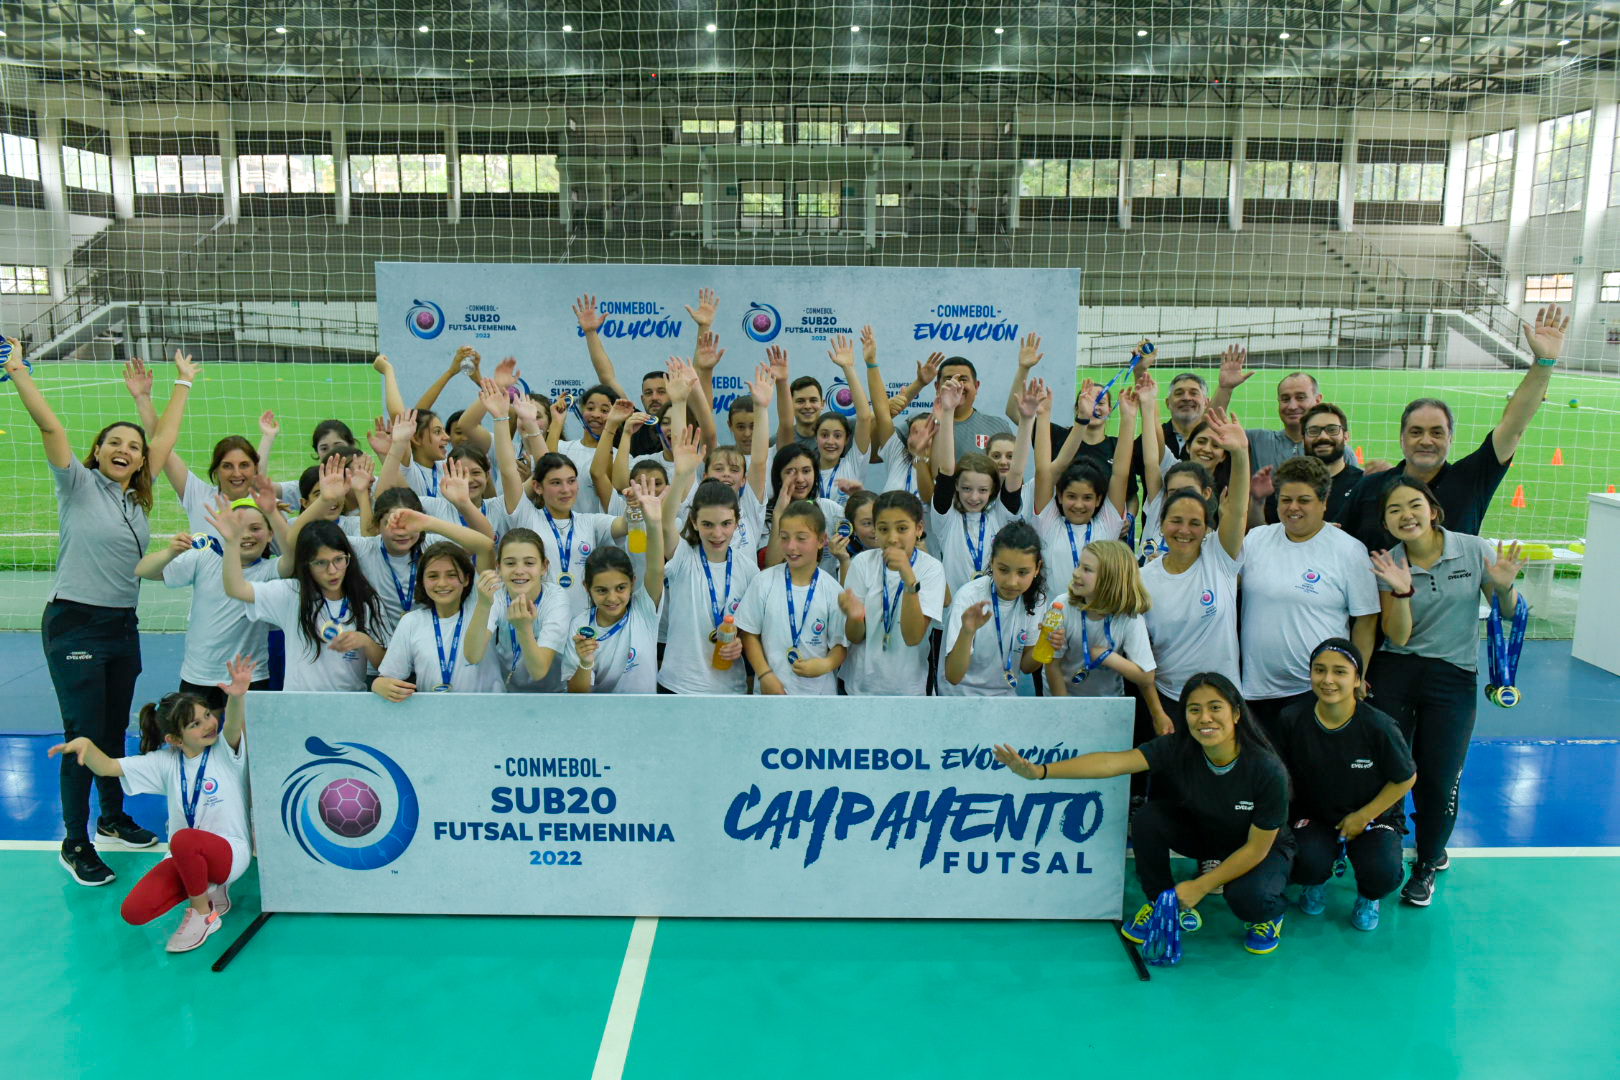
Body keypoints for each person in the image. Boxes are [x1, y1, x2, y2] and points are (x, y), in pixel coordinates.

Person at [6, 339, 194, 886]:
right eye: (114, 442)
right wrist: (19, 372)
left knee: (113, 730)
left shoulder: (136, 498)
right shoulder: (78, 483)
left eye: (133, 447)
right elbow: (51, 431)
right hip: (75, 623)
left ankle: (112, 819)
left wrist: (174, 386)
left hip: (120, 625)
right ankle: (75, 840)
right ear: (96, 450)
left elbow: (166, 438)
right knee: (83, 732)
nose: (126, 449)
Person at [993, 672, 1295, 956]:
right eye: (1194, 709)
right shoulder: (1179, 747)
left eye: (1215, 707)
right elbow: (1113, 764)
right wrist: (1040, 772)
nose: (1205, 718)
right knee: (1148, 817)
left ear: (1236, 714)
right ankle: (1163, 903)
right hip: (1207, 834)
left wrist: (1201, 886)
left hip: (1257, 848)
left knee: (1249, 899)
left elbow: (1257, 848)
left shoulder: (1267, 770)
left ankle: (1269, 914)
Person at [1367, 475, 1524, 907]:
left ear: (1433, 510)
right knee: (1395, 768)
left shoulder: (1472, 549)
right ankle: (1387, 848)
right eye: (1394, 510)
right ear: (1386, 522)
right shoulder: (1387, 563)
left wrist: (1504, 585)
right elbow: (1397, 636)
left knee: (1439, 776)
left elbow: (1507, 613)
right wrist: (1400, 589)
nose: (1406, 515)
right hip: (1396, 671)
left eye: (1414, 505)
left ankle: (1429, 860)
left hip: (1453, 676)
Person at [48, 654, 257, 953]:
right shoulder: (165, 762)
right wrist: (86, 745)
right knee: (134, 911)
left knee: (183, 839)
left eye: (208, 715)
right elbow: (107, 767)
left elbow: (233, 724)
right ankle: (211, 890)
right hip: (186, 857)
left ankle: (203, 915)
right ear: (175, 739)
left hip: (230, 852)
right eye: (196, 724)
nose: (209, 725)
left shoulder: (225, 751)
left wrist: (238, 696)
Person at [1336, 304, 1569, 548]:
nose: (1426, 440)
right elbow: (1340, 543)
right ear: (1401, 438)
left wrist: (1544, 362)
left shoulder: (1471, 480)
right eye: (1416, 432)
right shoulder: (1371, 486)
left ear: (1451, 438)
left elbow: (1514, 425)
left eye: (1437, 432)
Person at [1274, 639, 1416, 932]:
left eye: (1339, 672)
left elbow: (1405, 777)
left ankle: (1368, 896)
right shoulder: (1291, 719)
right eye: (1319, 670)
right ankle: (1316, 880)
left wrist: (1363, 816)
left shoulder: (1380, 726)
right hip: (1316, 817)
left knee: (1383, 873)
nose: (1327, 680)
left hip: (1373, 818)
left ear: (1358, 680)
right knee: (1304, 862)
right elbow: (1276, 775)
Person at [1239, 455, 1379, 741]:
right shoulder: (1256, 540)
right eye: (1285, 499)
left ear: (1324, 502)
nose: (1293, 508)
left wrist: (1355, 676)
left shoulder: (1349, 551)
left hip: (1315, 692)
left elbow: (1366, 620)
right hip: (1256, 690)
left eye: (1304, 500)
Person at [1141, 409, 1251, 725]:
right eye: (1176, 521)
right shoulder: (1144, 578)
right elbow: (1141, 653)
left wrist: (1240, 454)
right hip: (1169, 701)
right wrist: (1157, 712)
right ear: (1161, 525)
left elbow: (1239, 511)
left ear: (1207, 527)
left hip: (1223, 699)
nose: (1185, 530)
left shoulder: (1219, 557)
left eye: (1194, 523)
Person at [136, 486, 289, 711]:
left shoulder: (271, 570)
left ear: (270, 534)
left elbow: (293, 556)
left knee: (246, 742)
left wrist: (274, 515)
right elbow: (143, 569)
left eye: (255, 528)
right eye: (237, 528)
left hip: (249, 677)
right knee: (196, 740)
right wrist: (170, 552)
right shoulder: (205, 557)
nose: (245, 535)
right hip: (199, 674)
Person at [220, 513, 386, 692]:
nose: (332, 570)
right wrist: (231, 544)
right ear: (306, 565)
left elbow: (384, 665)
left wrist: (365, 642)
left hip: (348, 706)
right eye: (321, 563)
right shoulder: (292, 594)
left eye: (339, 560)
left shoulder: (365, 600)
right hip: (299, 707)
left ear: (348, 558)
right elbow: (236, 589)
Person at [1041, 540, 1172, 735]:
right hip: (1062, 699)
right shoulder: (1062, 606)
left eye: (1087, 569)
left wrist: (1106, 656)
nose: (1076, 573)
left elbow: (1146, 676)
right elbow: (1052, 666)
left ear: (1110, 580)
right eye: (1079, 565)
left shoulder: (1129, 618)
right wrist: (1065, 711)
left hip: (1108, 704)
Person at [562, 476, 668, 694]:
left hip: (644, 717)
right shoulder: (580, 626)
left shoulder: (644, 610)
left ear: (633, 583)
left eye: (620, 588)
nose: (612, 598)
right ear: (587, 587)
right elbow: (576, 693)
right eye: (601, 590)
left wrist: (654, 523)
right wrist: (585, 662)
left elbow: (656, 568)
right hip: (601, 720)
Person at [932, 380, 1037, 598]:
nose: (973, 496)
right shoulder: (946, 518)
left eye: (982, 490)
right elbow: (946, 468)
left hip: (993, 612)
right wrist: (948, 413)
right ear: (956, 488)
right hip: (952, 616)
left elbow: (1016, 472)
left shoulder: (1000, 514)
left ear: (992, 491)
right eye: (967, 489)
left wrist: (1027, 421)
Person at [839, 491, 947, 696]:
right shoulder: (862, 563)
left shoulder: (931, 569)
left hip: (908, 689)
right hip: (859, 687)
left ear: (919, 529)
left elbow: (913, 636)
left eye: (902, 528)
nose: (892, 538)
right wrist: (855, 617)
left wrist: (909, 580)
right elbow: (854, 636)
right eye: (883, 529)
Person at [736, 500, 848, 695]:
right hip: (771, 692)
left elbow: (840, 645)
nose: (791, 546)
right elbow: (749, 635)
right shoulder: (763, 582)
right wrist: (764, 674)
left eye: (801, 538)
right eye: (784, 537)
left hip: (819, 697)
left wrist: (826, 664)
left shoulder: (832, 590)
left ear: (822, 540)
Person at [660, 478, 760, 695]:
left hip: (730, 688)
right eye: (707, 524)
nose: (717, 534)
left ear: (736, 522)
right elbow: (665, 523)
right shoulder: (683, 557)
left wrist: (740, 644)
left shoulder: (749, 571)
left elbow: (752, 631)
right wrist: (683, 472)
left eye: (726, 523)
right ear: (694, 522)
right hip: (679, 686)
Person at [1033, 384, 1136, 588]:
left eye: (1087, 498)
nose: (1079, 505)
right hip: (1054, 617)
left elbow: (1120, 473)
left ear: (1099, 500)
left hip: (1096, 615)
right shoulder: (1048, 524)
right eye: (1071, 496)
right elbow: (1043, 472)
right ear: (1059, 497)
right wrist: (1043, 415)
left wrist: (1129, 418)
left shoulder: (1107, 524)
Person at [940, 520, 1046, 696]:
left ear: (1037, 569)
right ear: (991, 562)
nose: (1012, 582)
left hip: (1004, 698)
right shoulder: (969, 598)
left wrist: (1047, 642)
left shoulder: (1037, 600)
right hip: (960, 698)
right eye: (1003, 570)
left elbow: (1026, 667)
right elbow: (953, 676)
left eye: (1022, 572)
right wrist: (967, 632)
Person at [462, 529, 572, 692]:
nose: (519, 570)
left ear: (544, 567)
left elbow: (538, 671)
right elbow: (472, 655)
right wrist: (483, 605)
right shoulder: (496, 595)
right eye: (510, 563)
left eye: (529, 563)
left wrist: (524, 629)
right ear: (498, 567)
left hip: (554, 693)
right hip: (508, 692)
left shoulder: (556, 598)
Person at [1211, 345, 1323, 474]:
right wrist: (1225, 389)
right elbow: (1208, 431)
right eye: (1285, 399)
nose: (1292, 406)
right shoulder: (1256, 440)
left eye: (1300, 397)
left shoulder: (1333, 448)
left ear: (1318, 400)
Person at [1260, 402, 1362, 525]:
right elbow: (1268, 531)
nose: (1323, 436)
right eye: (1314, 431)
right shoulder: (1284, 484)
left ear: (1346, 437)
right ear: (1303, 439)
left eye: (1332, 430)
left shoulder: (1363, 485)